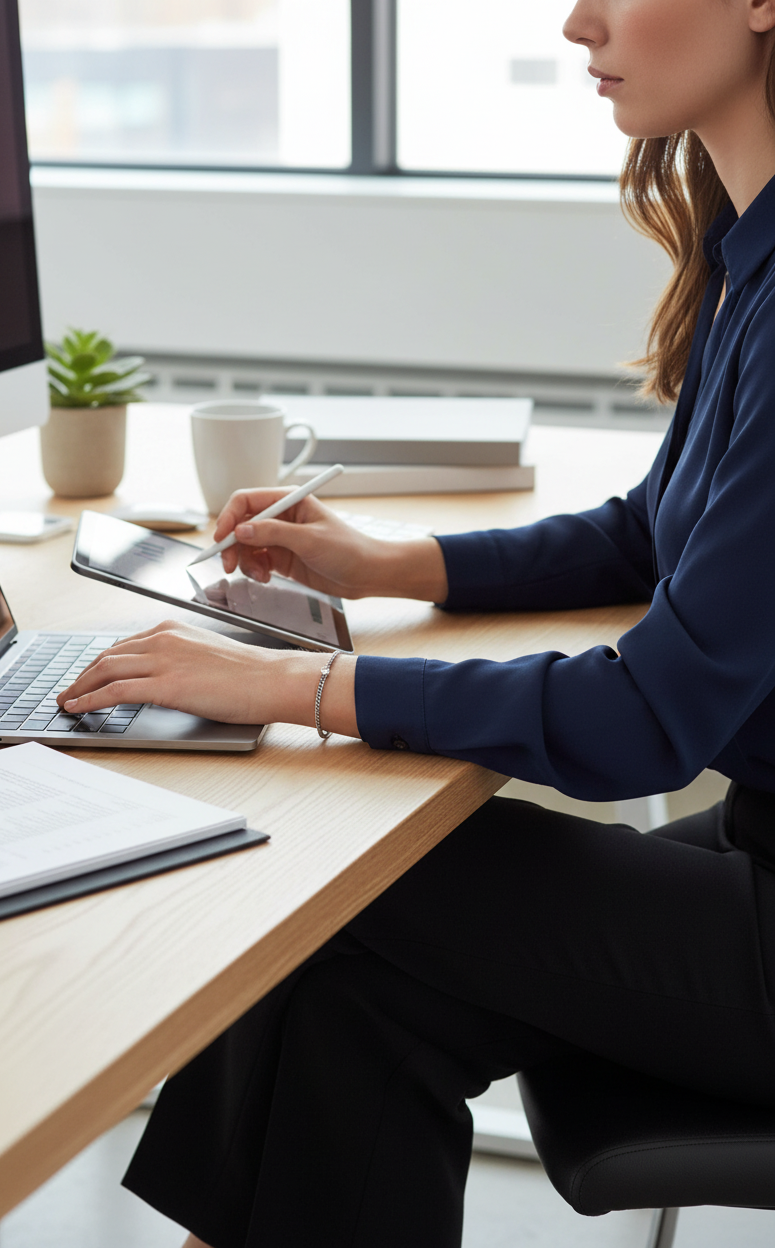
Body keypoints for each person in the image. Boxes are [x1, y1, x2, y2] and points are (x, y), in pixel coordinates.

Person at [58, 0, 775, 1243]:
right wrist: (389, 561)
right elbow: (651, 531)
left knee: (333, 890)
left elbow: (644, 718)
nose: (575, 21)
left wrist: (289, 690)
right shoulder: (746, 254)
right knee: (347, 992)